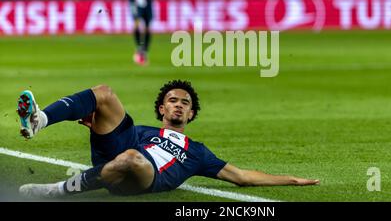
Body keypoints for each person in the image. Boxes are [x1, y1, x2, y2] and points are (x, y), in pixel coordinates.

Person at [17, 80, 319, 198]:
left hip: (143, 177)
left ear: (190, 115)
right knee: (105, 94)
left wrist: (291, 180)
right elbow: (116, 134)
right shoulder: (146, 131)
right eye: (172, 100)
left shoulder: (197, 152)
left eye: (185, 103)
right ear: (162, 108)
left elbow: (241, 177)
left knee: (132, 158)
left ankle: (54, 191)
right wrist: (96, 123)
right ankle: (39, 120)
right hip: (121, 153)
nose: (178, 104)